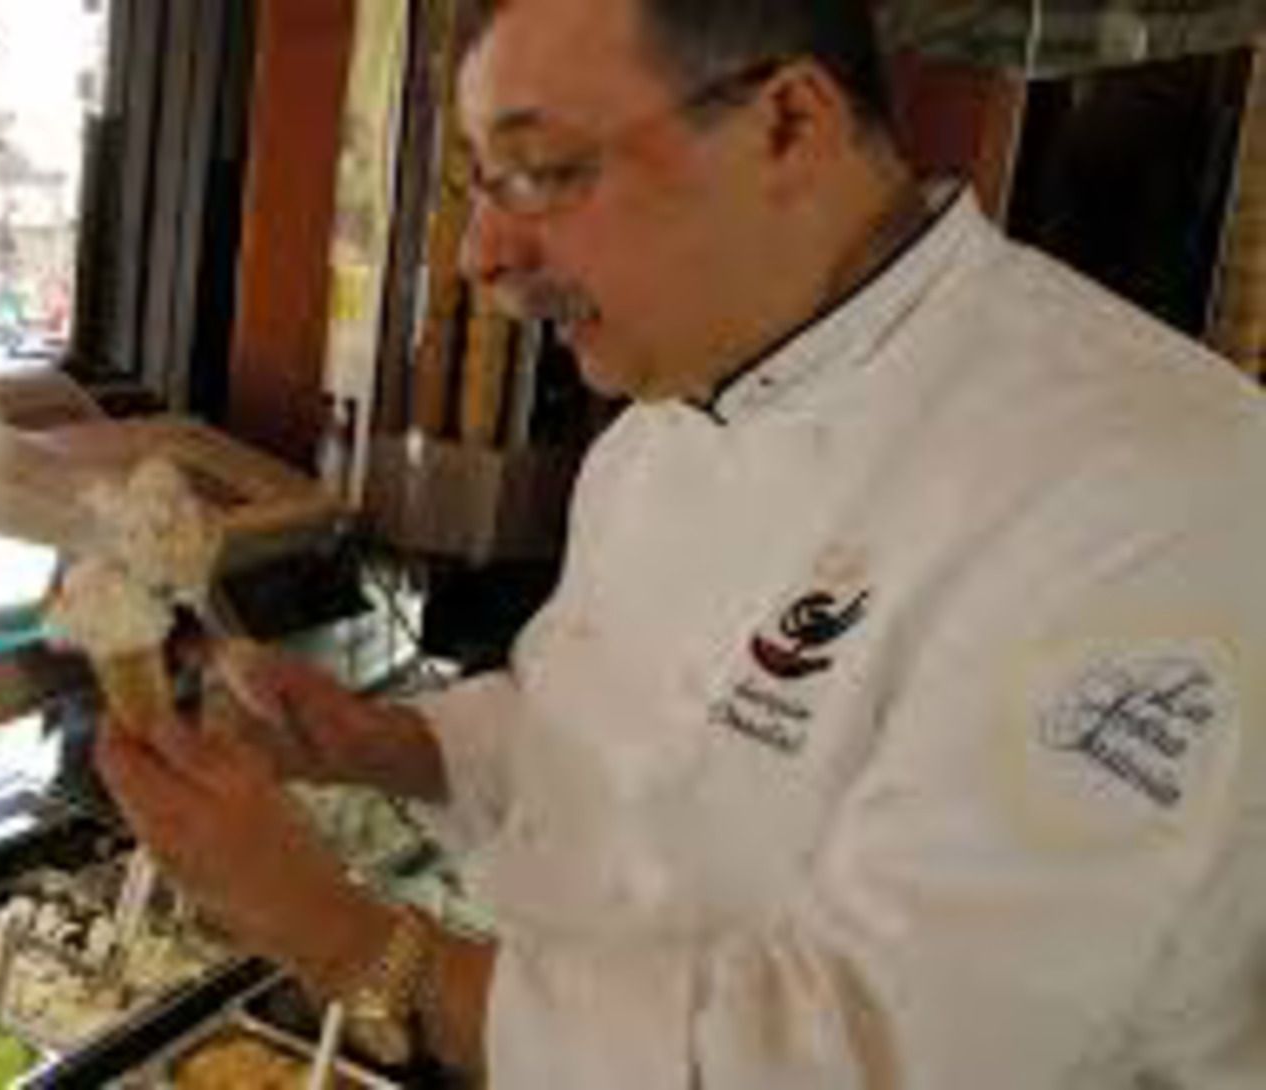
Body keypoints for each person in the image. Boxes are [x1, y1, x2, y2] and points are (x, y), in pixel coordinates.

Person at [96, 1, 1266, 1086]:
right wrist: (385, 745)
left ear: (787, 122)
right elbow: (610, 735)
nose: (479, 255)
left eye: (542, 172)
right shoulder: (663, 422)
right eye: (480, 183)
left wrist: (336, 936)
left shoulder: (1145, 484)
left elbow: (868, 1052)